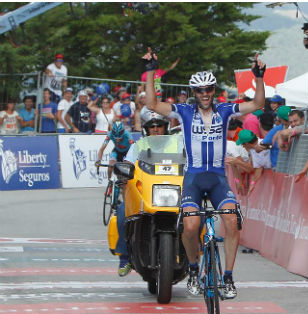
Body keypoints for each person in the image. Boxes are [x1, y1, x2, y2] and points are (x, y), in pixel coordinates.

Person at [142, 46, 266, 299]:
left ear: (213, 90)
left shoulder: (225, 110)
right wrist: (151, 71)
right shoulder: (184, 112)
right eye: (200, 90)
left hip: (218, 178)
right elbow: (152, 103)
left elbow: (258, 103)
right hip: (194, 178)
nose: (205, 94)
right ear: (194, 92)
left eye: (209, 89)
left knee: (231, 222)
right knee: (191, 226)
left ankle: (228, 278)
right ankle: (193, 268)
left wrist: (259, 77)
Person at [109, 112, 170, 277]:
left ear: (166, 127)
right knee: (122, 213)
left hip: (173, 193)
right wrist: (124, 172)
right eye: (152, 126)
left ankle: (195, 260)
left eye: (159, 125)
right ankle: (125, 257)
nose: (156, 129)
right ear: (147, 129)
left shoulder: (177, 145)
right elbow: (128, 163)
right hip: (144, 193)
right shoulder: (138, 145)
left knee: (196, 213)